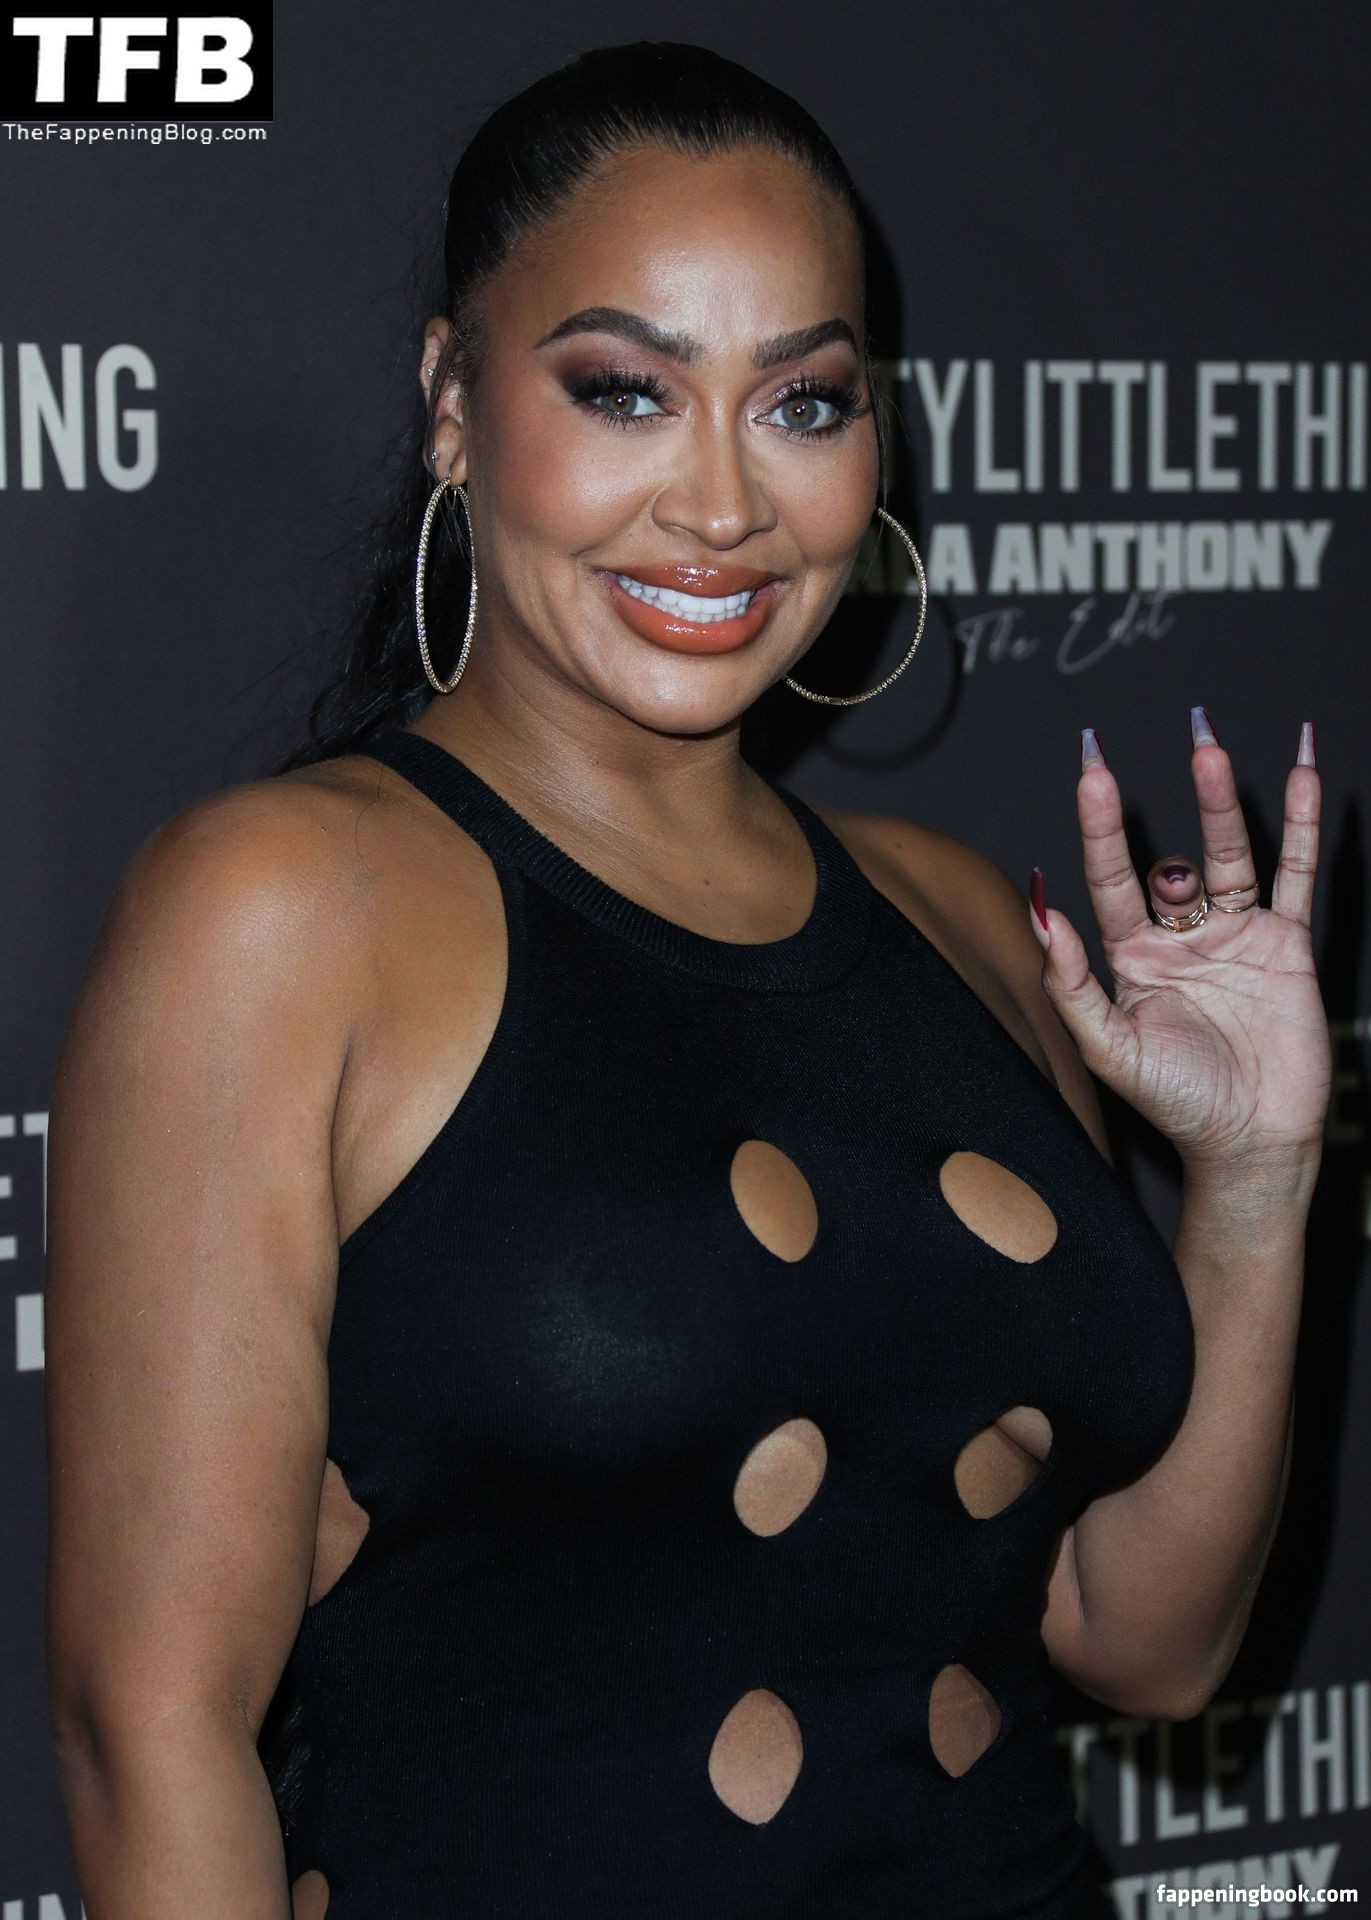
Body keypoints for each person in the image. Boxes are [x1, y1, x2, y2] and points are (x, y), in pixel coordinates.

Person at [42, 40, 1330, 1920]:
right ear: (454, 403)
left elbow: (1144, 1637)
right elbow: (150, 1729)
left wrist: (1256, 1185)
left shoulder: (964, 919)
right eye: (628, 391)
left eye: (802, 405)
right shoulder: (282, 911)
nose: (723, 503)